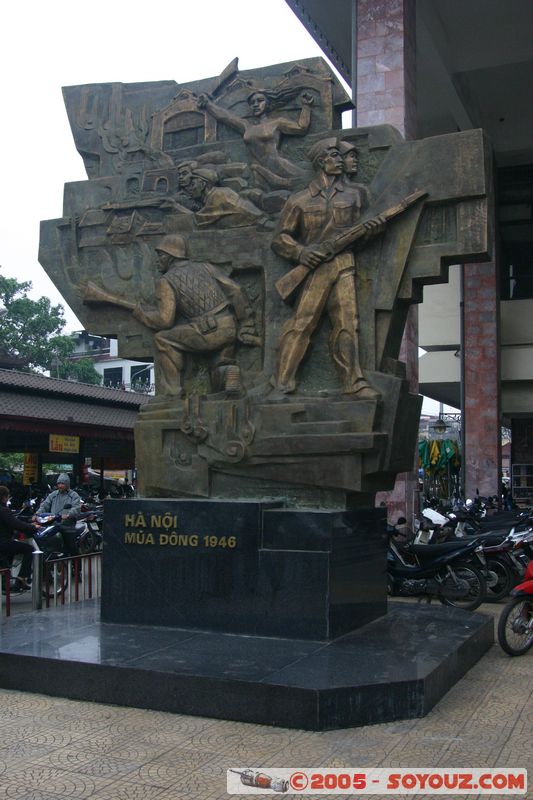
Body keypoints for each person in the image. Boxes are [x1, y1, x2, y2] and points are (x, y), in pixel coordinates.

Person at [271, 137, 385, 396]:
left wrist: (373, 232)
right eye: (334, 155)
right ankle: (282, 383)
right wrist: (301, 253)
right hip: (315, 268)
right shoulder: (299, 200)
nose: (340, 161)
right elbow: (279, 239)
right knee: (302, 323)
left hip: (344, 263)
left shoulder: (356, 194)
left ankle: (353, 382)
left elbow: (363, 235)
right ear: (321, 162)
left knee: (348, 323)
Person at [132, 234, 260, 396]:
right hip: (229, 327)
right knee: (219, 366)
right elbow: (236, 290)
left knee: (162, 338)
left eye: (161, 255)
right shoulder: (206, 267)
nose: (158, 260)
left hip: (206, 333)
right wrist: (246, 324)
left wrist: (142, 315)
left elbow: (165, 321)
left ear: (172, 257)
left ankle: (173, 393)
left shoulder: (166, 281)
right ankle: (227, 370)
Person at [197, 88, 313, 189]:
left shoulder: (277, 123)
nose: (256, 104)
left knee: (307, 180)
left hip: (279, 167)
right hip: (257, 170)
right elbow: (225, 117)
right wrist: (207, 103)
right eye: (252, 103)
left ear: (268, 103)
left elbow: (301, 128)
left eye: (260, 101)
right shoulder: (247, 126)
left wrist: (306, 106)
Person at [0, 485, 40, 589]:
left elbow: (12, 521)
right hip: (3, 543)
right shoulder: (3, 510)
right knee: (29, 549)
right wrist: (33, 528)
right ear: (4, 497)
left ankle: (5, 577)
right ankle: (21, 578)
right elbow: (16, 524)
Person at [33, 474, 82, 558]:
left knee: (71, 545)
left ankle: (77, 566)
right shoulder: (53, 495)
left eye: (62, 483)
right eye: (59, 483)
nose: (60, 485)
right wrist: (37, 514)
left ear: (67, 484)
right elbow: (45, 505)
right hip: (53, 522)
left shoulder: (73, 495)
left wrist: (68, 515)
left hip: (67, 524)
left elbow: (76, 508)